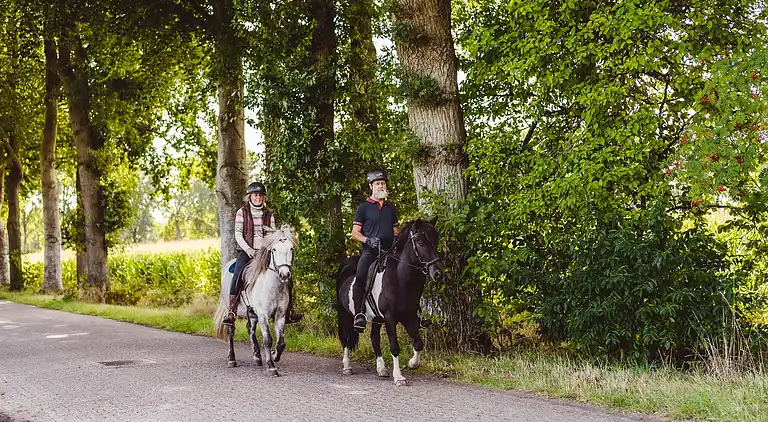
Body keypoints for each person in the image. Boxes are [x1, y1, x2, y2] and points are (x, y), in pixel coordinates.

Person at [222, 181, 303, 326]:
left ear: (263, 197)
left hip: (265, 252)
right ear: (250, 196)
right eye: (255, 195)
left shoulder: (269, 215)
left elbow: (272, 235)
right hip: (248, 251)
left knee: (286, 276)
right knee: (237, 274)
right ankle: (232, 311)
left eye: (260, 195)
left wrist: (267, 250)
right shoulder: (242, 212)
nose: (258, 198)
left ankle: (289, 310)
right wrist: (248, 249)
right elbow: (238, 234)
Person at [350, 169, 398, 332]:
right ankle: (358, 314)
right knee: (361, 275)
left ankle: (414, 312)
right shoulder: (363, 208)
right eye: (377, 184)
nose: (380, 186)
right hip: (370, 251)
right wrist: (367, 240)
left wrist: (397, 239)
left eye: (382, 183)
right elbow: (354, 233)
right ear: (371, 186)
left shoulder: (391, 208)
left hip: (389, 251)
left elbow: (395, 230)